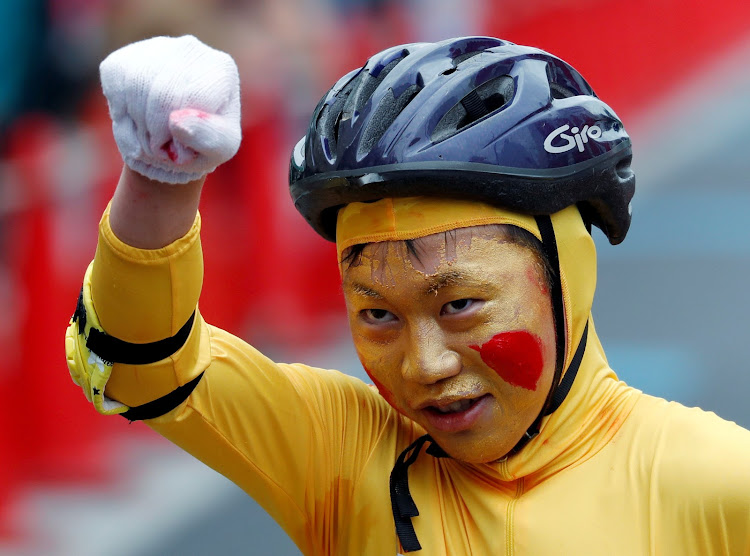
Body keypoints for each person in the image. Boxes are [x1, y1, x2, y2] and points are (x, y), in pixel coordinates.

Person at [65, 35, 750, 555]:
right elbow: (142, 362)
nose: (424, 365)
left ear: (566, 273)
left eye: (459, 305)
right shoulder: (348, 456)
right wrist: (159, 180)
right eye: (377, 315)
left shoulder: (717, 483)